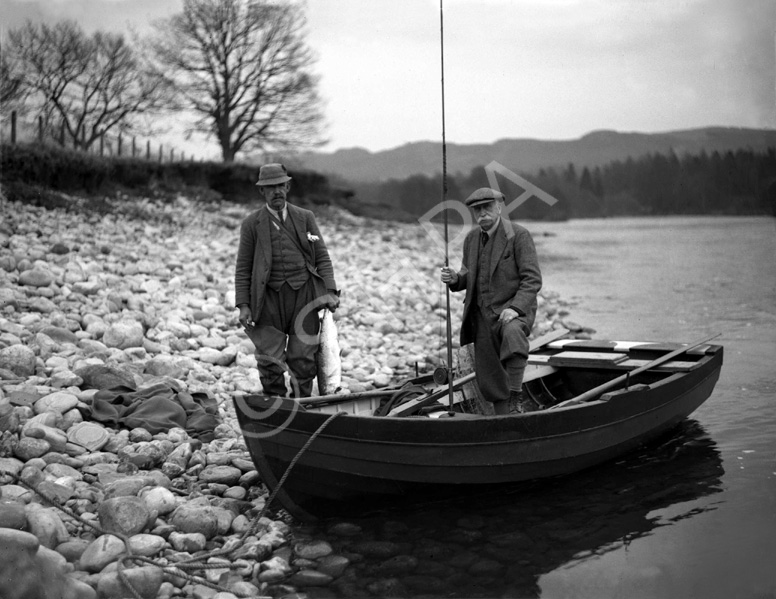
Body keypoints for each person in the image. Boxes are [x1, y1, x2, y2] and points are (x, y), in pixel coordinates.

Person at [235, 163, 340, 398]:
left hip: (304, 296)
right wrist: (244, 305)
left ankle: (302, 405)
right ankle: (276, 404)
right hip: (267, 299)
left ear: (288, 186)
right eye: (270, 188)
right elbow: (243, 268)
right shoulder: (252, 224)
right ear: (262, 191)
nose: (276, 192)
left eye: (280, 186)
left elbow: (322, 256)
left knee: (303, 358)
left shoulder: (306, 218)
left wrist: (330, 290)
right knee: (269, 359)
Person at [441, 187, 542, 414]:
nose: (482, 214)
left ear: (499, 207)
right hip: (481, 314)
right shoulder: (471, 239)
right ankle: (502, 418)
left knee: (513, 335)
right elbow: (468, 275)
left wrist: (515, 308)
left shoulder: (519, 235)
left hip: (514, 310)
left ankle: (516, 396)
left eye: (487, 207)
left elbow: (532, 279)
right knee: (489, 375)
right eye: (477, 210)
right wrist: (455, 279)